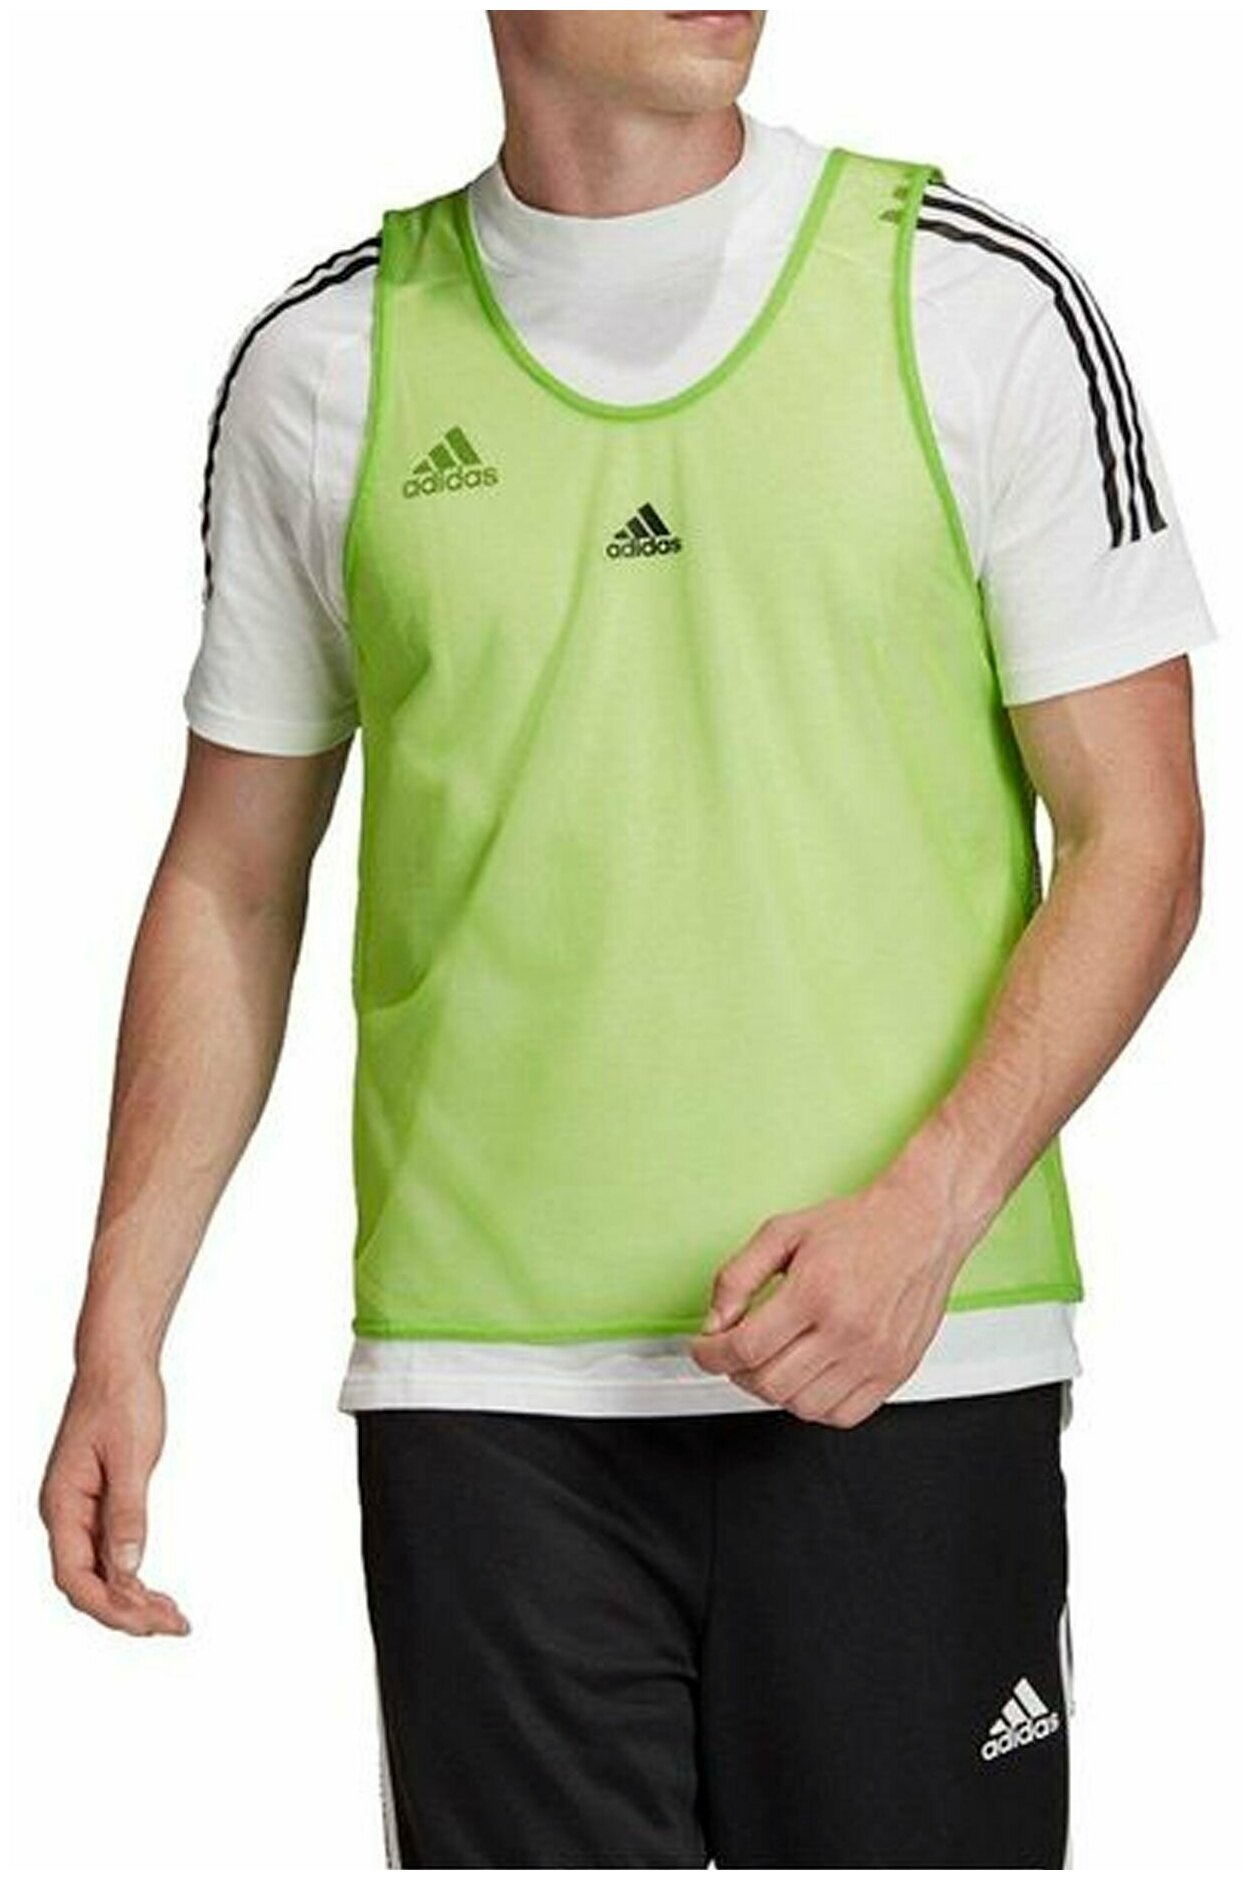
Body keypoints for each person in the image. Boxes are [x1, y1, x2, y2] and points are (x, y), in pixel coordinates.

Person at [38, 9, 1217, 1868]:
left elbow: (1140, 836)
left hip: (908, 1365)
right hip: (486, 1405)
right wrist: (119, 1324)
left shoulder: (975, 302)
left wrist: (927, 1213)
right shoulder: (325, 367)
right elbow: (230, 882)